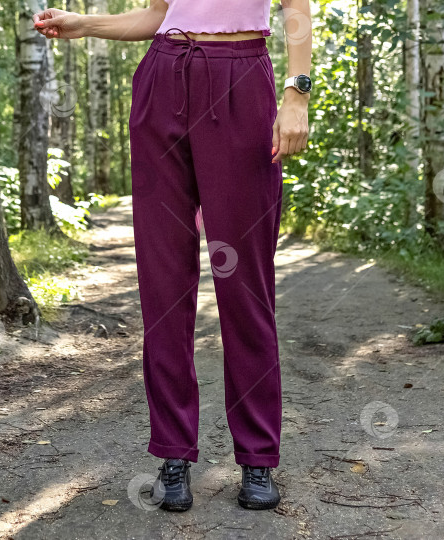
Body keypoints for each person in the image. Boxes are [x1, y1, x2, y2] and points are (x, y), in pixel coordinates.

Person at [34, 0, 311, 512]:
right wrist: (85, 24)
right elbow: (160, 14)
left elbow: (296, 6)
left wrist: (297, 93)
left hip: (240, 81)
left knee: (245, 284)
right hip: (162, 83)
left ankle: (256, 456)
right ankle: (173, 453)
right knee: (163, 285)